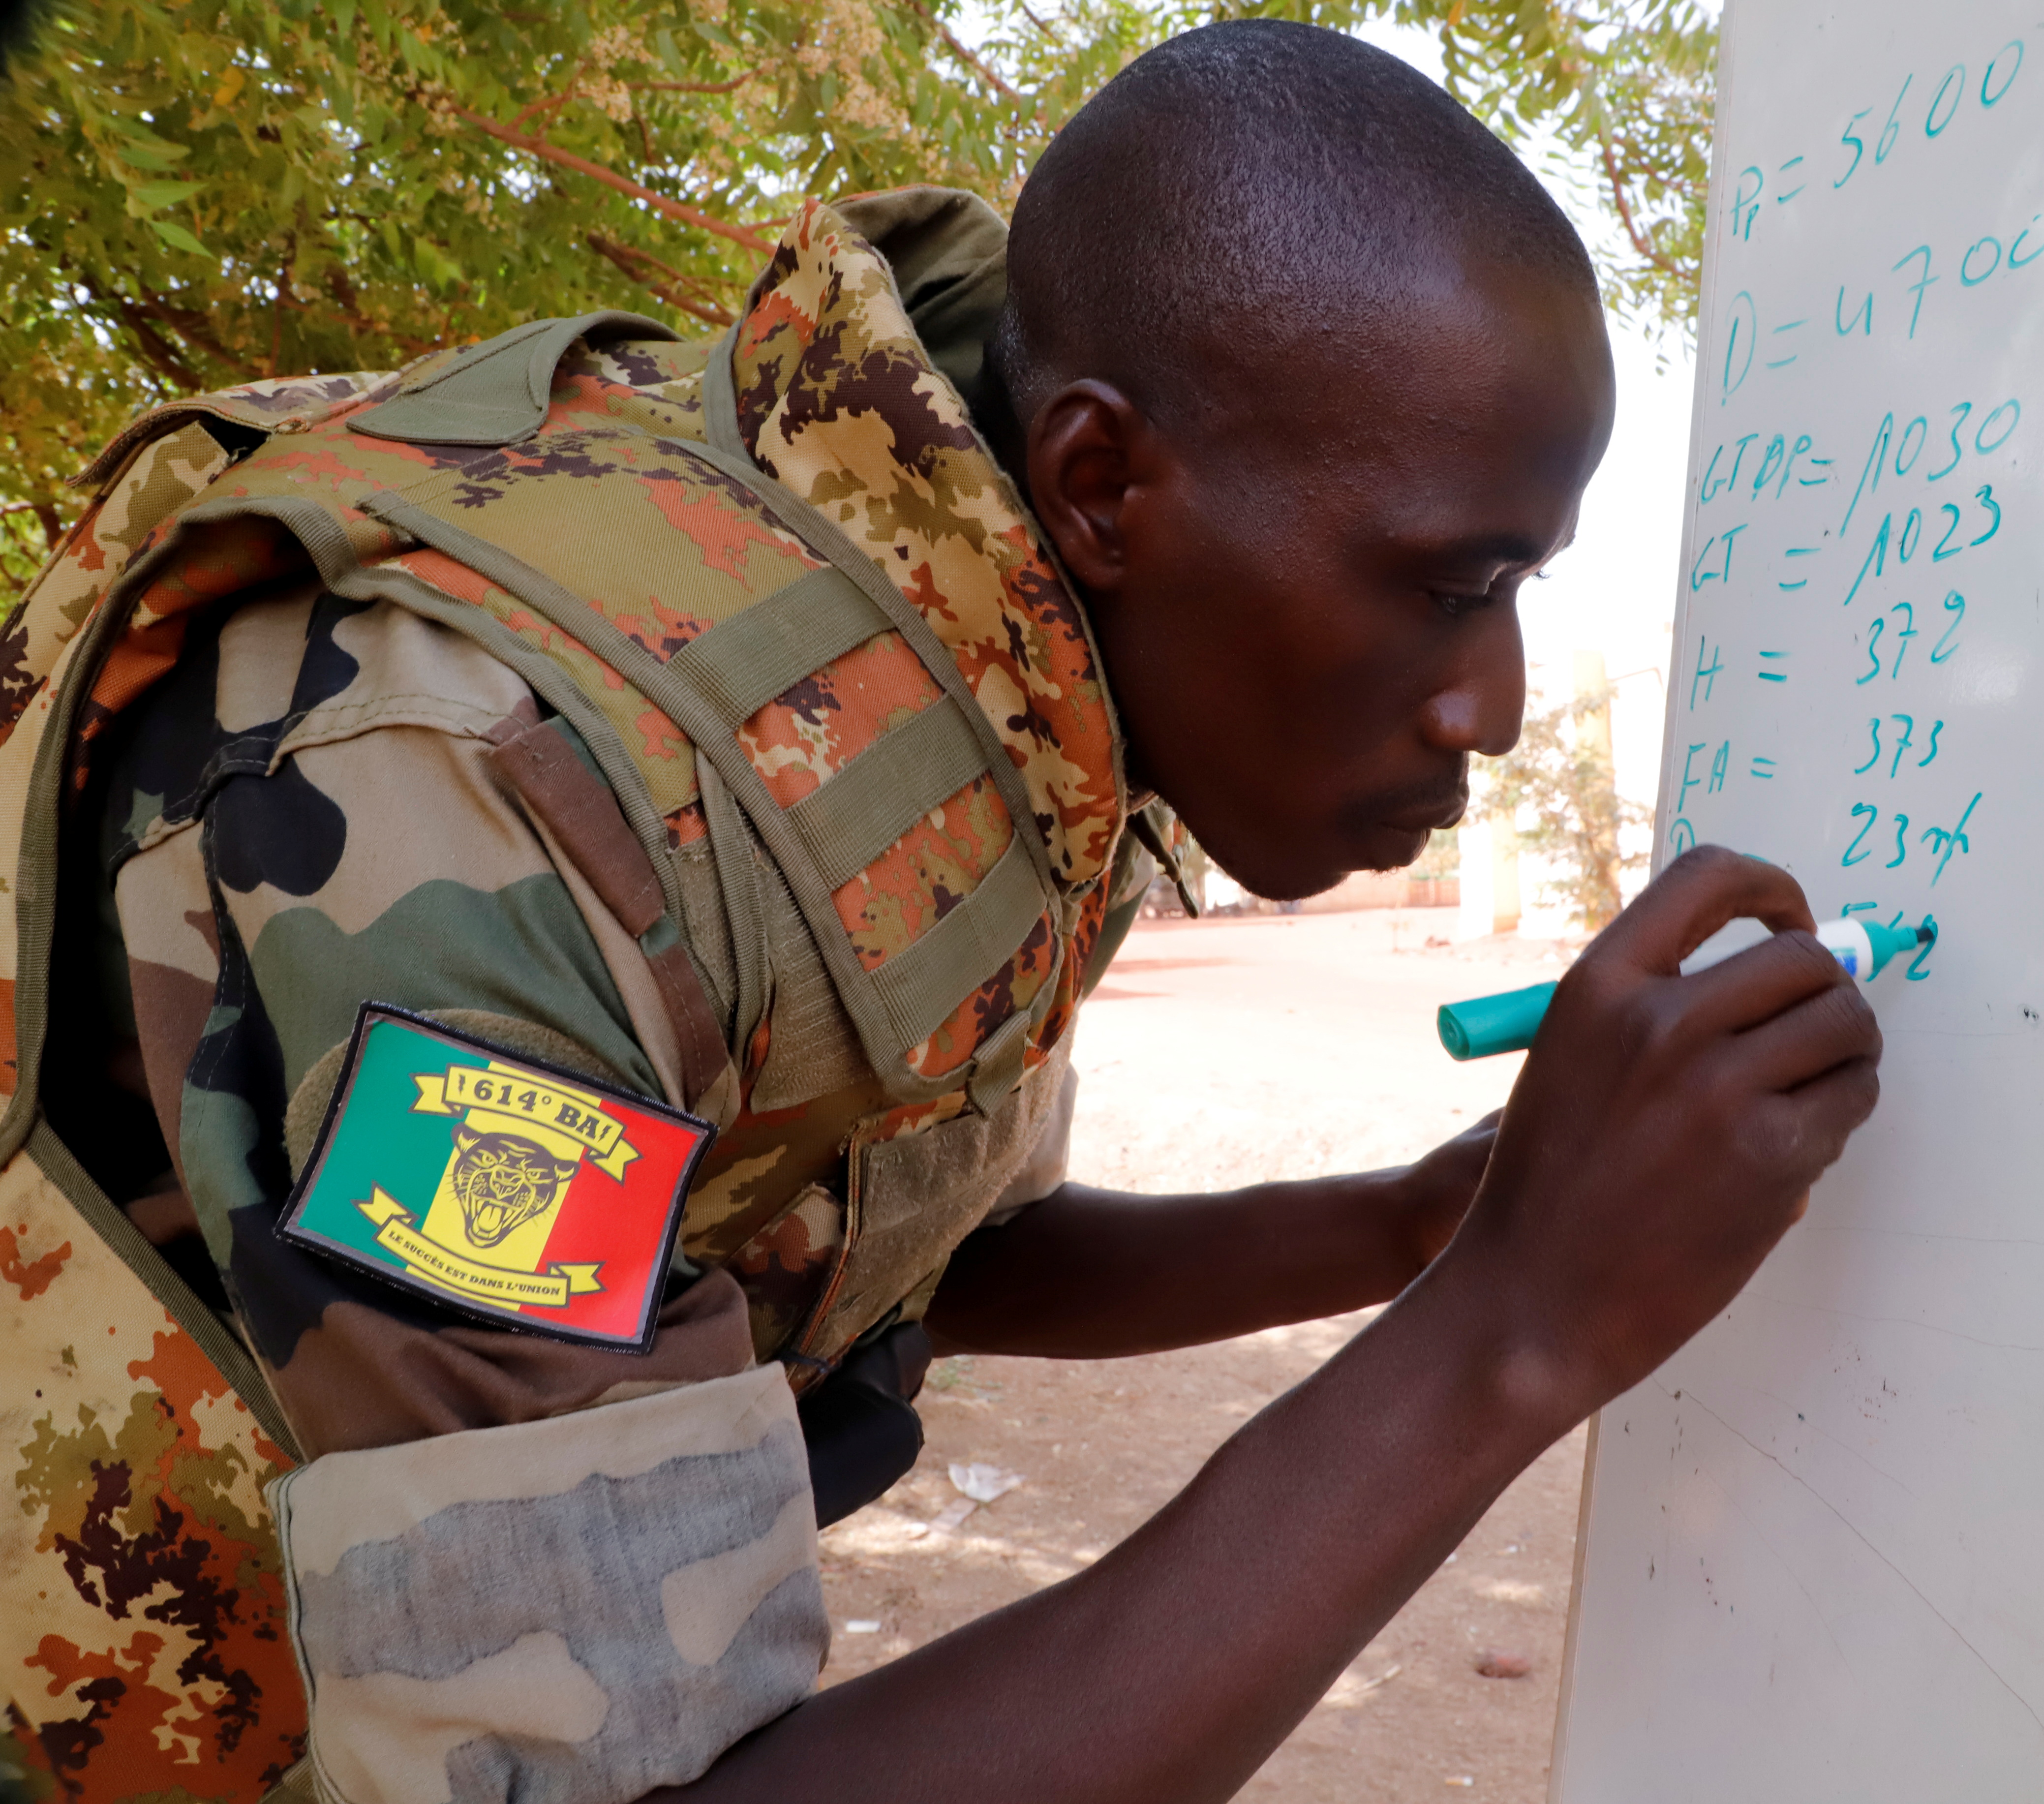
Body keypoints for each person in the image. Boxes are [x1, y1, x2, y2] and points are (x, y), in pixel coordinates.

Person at [0, 21, 1880, 1804]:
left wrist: (1408, 1220)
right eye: (1451, 584)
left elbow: (885, 1245)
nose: (1494, 705)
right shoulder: (493, 812)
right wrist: (1512, 1325)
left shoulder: (1004, 655)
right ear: (1101, 479)